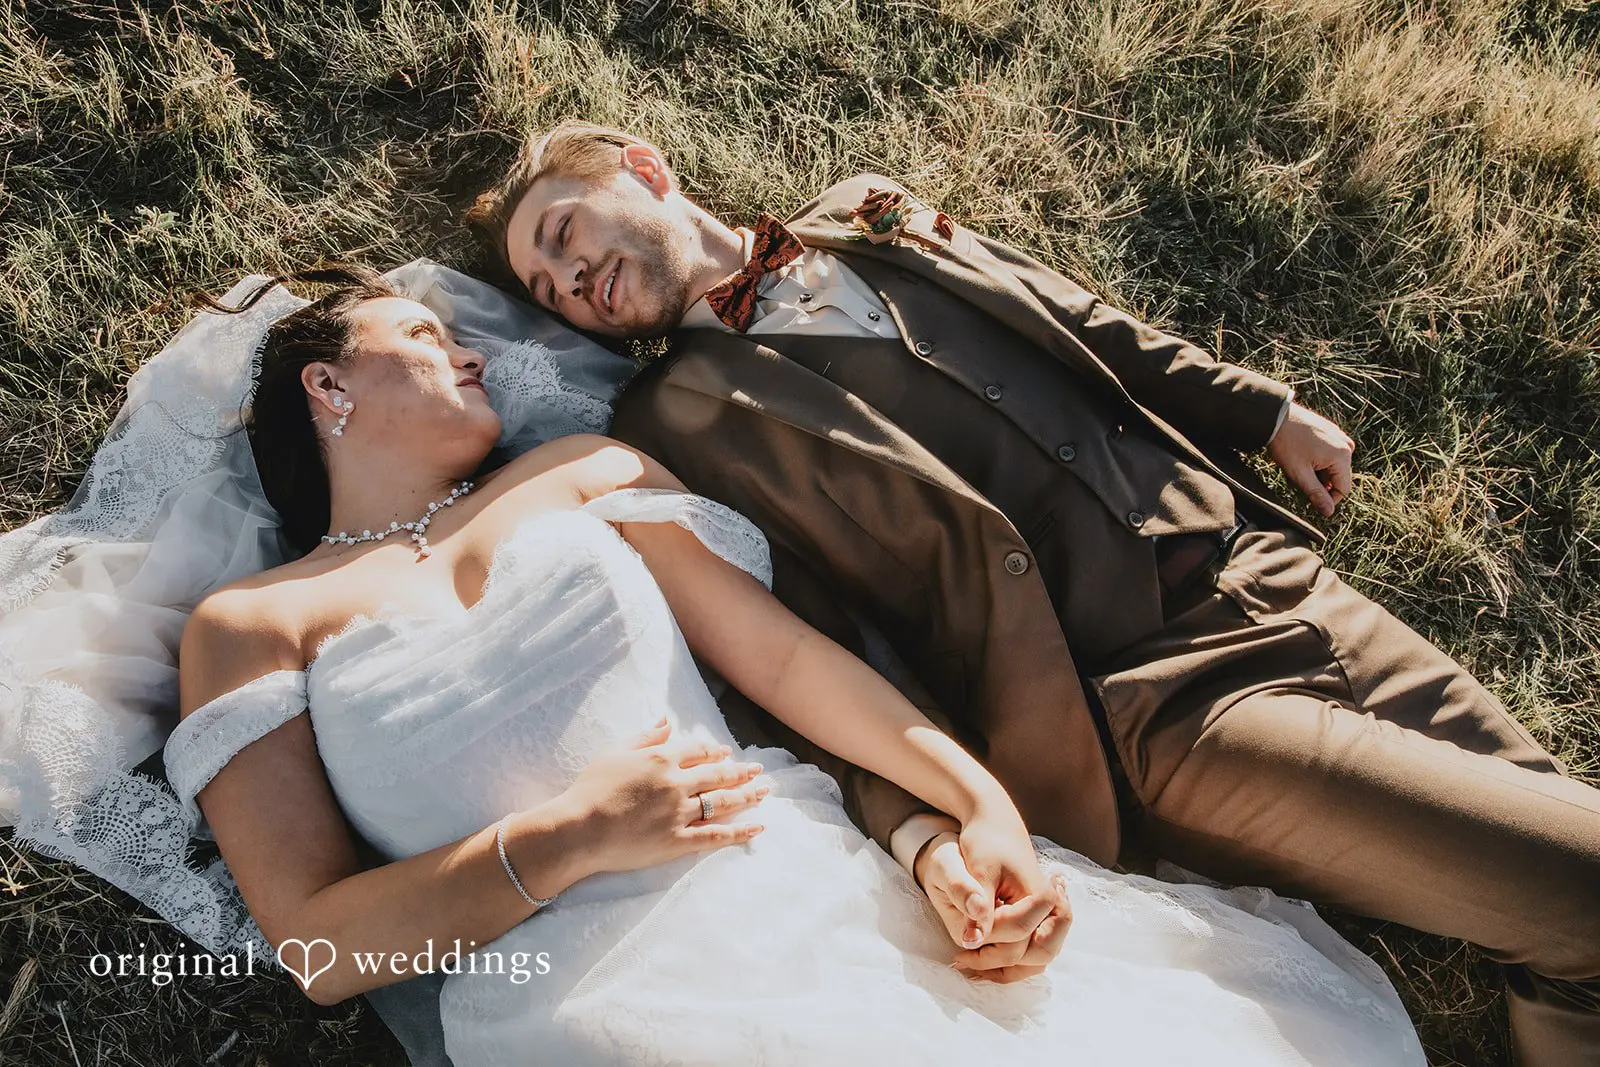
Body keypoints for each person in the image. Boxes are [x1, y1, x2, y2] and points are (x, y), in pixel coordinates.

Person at [466, 120, 1600, 1066]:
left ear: (643, 167)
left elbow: (1072, 317)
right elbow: (797, 657)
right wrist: (919, 828)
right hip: (1160, 708)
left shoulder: (866, 208)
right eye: (549, 289)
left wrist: (1261, 410)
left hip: (1264, 569)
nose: (570, 281)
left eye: (562, 233)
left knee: (1563, 889)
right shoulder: (676, 426)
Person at [157, 265, 1423, 1065]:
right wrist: (569, 836)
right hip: (586, 998)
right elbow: (316, 948)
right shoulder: (250, 623)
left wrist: (976, 802)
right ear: (328, 383)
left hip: (793, 877)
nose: (472, 351)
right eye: (425, 335)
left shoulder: (579, 473)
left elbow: (787, 661)